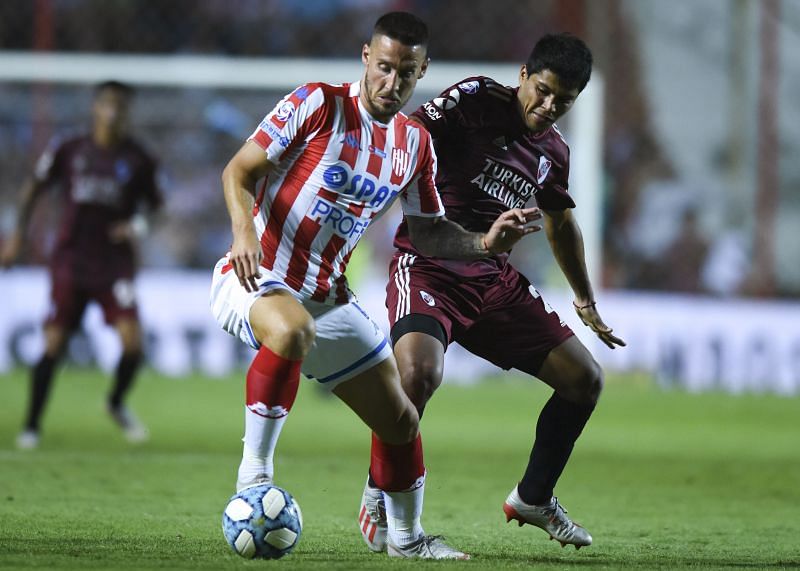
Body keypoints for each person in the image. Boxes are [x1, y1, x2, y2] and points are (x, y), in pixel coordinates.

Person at [209, 11, 541, 560]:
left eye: (405, 73)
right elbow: (238, 171)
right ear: (366, 58)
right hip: (256, 275)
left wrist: (485, 243)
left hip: (329, 298)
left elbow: (431, 232)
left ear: (422, 71)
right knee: (290, 331)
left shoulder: (414, 143)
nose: (392, 83)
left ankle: (407, 541)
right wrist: (243, 232)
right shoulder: (318, 103)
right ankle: (253, 481)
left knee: (401, 419)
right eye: (383, 68)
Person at [358, 33, 626, 553]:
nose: (548, 108)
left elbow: (561, 223)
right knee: (417, 374)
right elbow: (408, 134)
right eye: (543, 91)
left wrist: (585, 299)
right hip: (429, 266)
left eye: (563, 102)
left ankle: (533, 497)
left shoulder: (554, 151)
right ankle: (378, 494)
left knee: (583, 380)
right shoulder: (477, 98)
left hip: (493, 282)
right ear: (524, 74)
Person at [1, 80, 162, 449]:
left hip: (115, 263)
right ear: (95, 107)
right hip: (71, 259)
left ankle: (116, 402)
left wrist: (135, 226)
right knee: (54, 344)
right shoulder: (70, 150)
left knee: (133, 345)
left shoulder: (139, 159)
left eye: (120, 104)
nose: (113, 110)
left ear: (127, 111)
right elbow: (33, 189)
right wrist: (16, 237)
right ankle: (31, 425)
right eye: (107, 103)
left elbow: (155, 208)